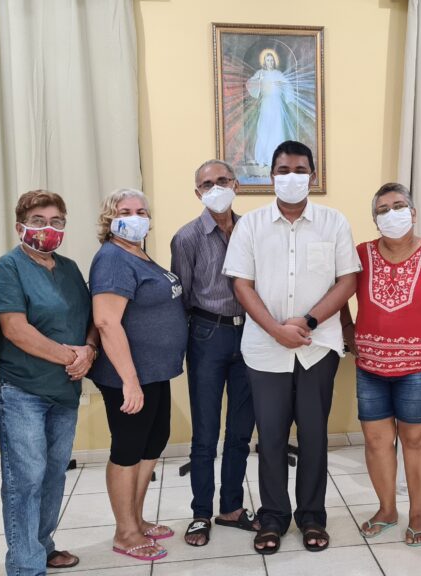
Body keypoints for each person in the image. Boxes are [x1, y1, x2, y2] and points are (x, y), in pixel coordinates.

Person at [223, 140, 360, 555]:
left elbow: (347, 281)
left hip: (318, 347)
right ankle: (273, 517)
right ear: (271, 177)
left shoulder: (334, 222)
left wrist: (309, 321)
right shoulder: (251, 226)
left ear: (312, 176)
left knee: (315, 434)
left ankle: (312, 516)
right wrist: (276, 330)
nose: (291, 177)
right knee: (271, 437)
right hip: (265, 350)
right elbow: (241, 285)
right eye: (283, 171)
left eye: (300, 170)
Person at [340, 183, 421, 547]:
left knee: (416, 440)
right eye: (382, 210)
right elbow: (338, 291)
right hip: (370, 366)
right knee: (376, 441)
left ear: (412, 213)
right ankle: (386, 510)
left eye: (398, 206)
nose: (391, 214)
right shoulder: (361, 255)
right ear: (375, 219)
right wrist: (347, 329)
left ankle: (418, 512)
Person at [0, 190, 97, 574]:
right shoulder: (9, 267)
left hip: (64, 390)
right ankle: (25, 564)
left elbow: (90, 318)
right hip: (22, 389)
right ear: (20, 225)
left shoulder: (69, 268)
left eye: (56, 222)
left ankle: (42, 545)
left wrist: (89, 350)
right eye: (38, 221)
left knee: (53, 474)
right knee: (25, 478)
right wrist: (72, 357)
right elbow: (15, 329)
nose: (47, 228)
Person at [88, 188, 187, 562]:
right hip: (128, 376)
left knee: (152, 443)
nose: (135, 217)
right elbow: (106, 321)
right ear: (109, 219)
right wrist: (129, 381)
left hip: (154, 371)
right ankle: (125, 532)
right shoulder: (113, 258)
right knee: (128, 449)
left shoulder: (138, 253)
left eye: (141, 211)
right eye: (125, 211)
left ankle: (137, 519)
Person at [171, 160, 258, 547]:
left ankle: (232, 508)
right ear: (197, 193)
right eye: (207, 184)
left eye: (223, 180)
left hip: (251, 334)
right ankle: (201, 513)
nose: (216, 187)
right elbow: (181, 298)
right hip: (207, 334)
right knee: (205, 432)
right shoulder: (186, 238)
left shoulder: (252, 229)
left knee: (241, 429)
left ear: (236, 185)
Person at [246, 48, 296, 168]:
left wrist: (283, 85)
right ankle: (262, 158)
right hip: (266, 104)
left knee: (277, 129)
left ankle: (276, 159)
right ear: (264, 62)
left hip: (277, 105)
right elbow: (250, 83)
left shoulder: (278, 74)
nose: (270, 62)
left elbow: (288, 85)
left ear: (274, 61)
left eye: (272, 60)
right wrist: (258, 81)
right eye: (268, 60)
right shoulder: (260, 73)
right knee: (264, 129)